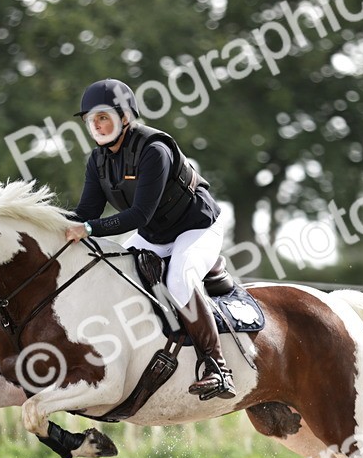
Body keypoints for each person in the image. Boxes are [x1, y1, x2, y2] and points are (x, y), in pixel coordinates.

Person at [64, 78, 236, 401]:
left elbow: (138, 215)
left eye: (104, 117)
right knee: (108, 274)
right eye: (91, 120)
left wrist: (88, 230)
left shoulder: (153, 151)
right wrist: (50, 225)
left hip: (196, 227)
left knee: (179, 280)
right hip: (154, 235)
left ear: (125, 117)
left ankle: (218, 368)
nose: (97, 126)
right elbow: (86, 211)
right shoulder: (97, 161)